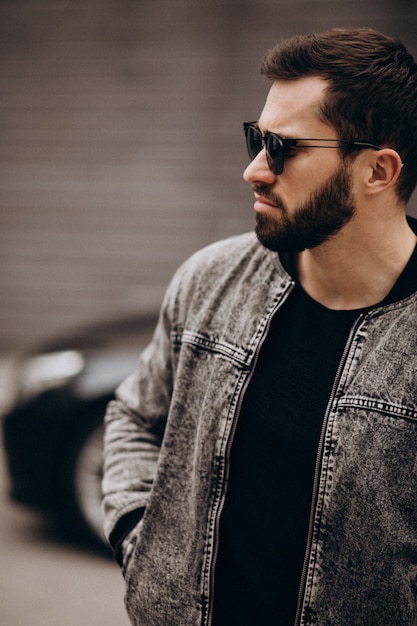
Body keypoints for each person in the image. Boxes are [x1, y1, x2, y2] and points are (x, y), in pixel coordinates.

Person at [102, 27, 417, 626]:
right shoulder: (210, 278)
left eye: (283, 147)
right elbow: (135, 416)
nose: (254, 169)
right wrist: (139, 539)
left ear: (378, 170)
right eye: (256, 138)